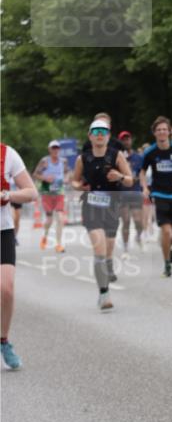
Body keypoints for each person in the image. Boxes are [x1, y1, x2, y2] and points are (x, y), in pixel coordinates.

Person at [71, 119, 133, 311]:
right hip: (91, 207)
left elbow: (130, 180)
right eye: (96, 131)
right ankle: (104, 293)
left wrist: (120, 177)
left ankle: (106, 272)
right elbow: (74, 181)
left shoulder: (117, 156)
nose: (99, 134)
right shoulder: (83, 158)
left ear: (108, 136)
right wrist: (79, 186)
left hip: (111, 208)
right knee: (99, 251)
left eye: (103, 132)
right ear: (90, 136)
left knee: (108, 252)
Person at [140, 117, 172, 277]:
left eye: (164, 129)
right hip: (159, 194)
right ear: (155, 133)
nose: (162, 132)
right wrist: (144, 188)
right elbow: (142, 171)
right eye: (159, 130)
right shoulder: (150, 152)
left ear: (169, 132)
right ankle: (167, 265)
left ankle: (166, 247)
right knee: (167, 232)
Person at [1, 143, 38, 368]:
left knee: (6, 288)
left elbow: (31, 191)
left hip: (2, 230)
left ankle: (3, 340)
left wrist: (8, 194)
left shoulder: (7, 154)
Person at [33, 141, 69, 253]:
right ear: (49, 149)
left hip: (59, 192)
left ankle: (59, 244)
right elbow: (35, 174)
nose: (55, 150)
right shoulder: (45, 161)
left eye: (57, 148)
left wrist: (66, 179)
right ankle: (45, 236)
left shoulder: (63, 161)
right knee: (49, 219)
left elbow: (68, 173)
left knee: (60, 217)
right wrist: (45, 178)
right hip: (47, 192)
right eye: (53, 148)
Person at [117, 131, 144, 253]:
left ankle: (138, 236)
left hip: (135, 191)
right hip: (122, 193)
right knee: (126, 221)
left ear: (131, 140)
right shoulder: (116, 157)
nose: (126, 141)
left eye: (127, 139)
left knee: (138, 221)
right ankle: (126, 246)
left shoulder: (138, 157)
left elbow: (142, 174)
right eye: (123, 139)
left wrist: (143, 185)